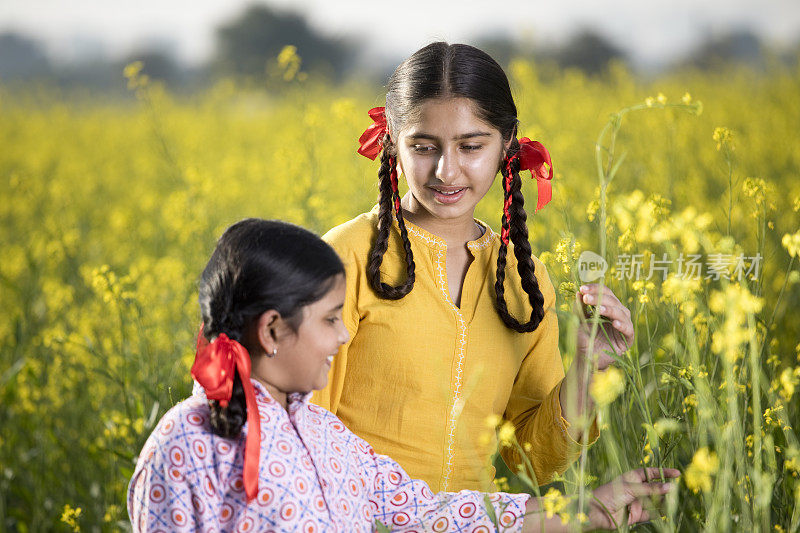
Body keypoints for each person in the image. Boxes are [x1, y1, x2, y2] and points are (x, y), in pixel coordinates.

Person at [127, 218, 676, 532]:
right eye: (329, 320)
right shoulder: (188, 444)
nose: (345, 336)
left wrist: (590, 510)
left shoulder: (328, 440)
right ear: (272, 331)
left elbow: (444, 516)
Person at [312, 42, 636, 492]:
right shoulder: (344, 257)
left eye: (470, 146)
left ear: (507, 145)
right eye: (423, 147)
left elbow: (531, 461)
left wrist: (587, 368)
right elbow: (300, 429)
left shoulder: (526, 282)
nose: (447, 171)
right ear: (391, 145)